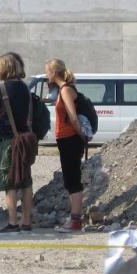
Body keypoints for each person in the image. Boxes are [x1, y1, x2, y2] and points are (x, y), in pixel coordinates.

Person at [0, 53, 34, 235]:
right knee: (25, 180)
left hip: (8, 140)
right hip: (25, 139)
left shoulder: (0, 90)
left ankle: (12, 222)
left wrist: (1, 113)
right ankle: (26, 221)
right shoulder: (25, 89)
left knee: (10, 181)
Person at [45, 58, 86, 233]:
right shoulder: (62, 90)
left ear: (54, 73)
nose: (47, 75)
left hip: (70, 138)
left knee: (73, 180)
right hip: (65, 139)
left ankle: (76, 221)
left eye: (48, 72)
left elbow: (73, 117)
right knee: (70, 179)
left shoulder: (66, 90)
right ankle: (74, 219)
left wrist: (82, 136)